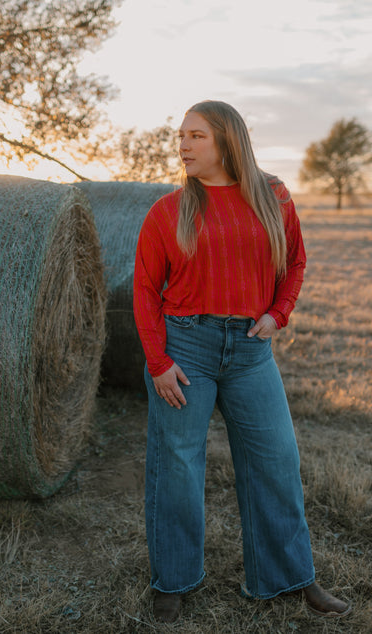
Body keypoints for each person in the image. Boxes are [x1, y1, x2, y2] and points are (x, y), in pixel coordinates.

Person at [133, 100, 351, 624]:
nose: (182, 145)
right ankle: (174, 580)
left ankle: (289, 577)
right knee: (179, 465)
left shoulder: (274, 196)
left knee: (276, 461)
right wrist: (158, 361)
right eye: (180, 136)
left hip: (252, 351)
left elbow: (294, 259)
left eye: (196, 135)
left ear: (227, 140)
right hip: (185, 349)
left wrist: (279, 312)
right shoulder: (168, 211)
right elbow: (143, 290)